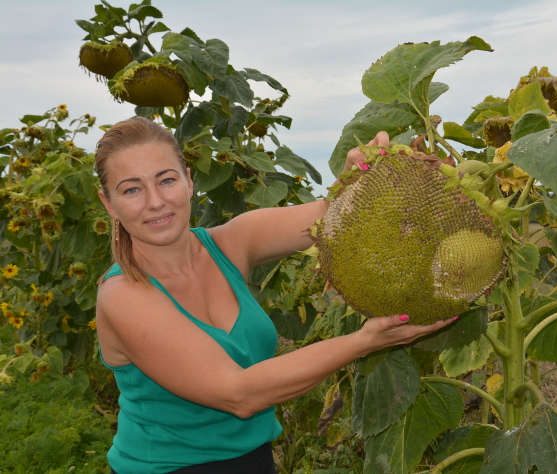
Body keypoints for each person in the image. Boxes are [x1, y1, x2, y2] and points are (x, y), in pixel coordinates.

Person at [94, 116, 456, 474]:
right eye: (131, 189)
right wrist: (364, 341)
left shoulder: (232, 242)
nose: (156, 201)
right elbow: (239, 393)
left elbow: (330, 213)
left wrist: (365, 172)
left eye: (166, 180)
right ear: (109, 203)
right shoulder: (123, 295)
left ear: (188, 182)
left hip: (254, 461)